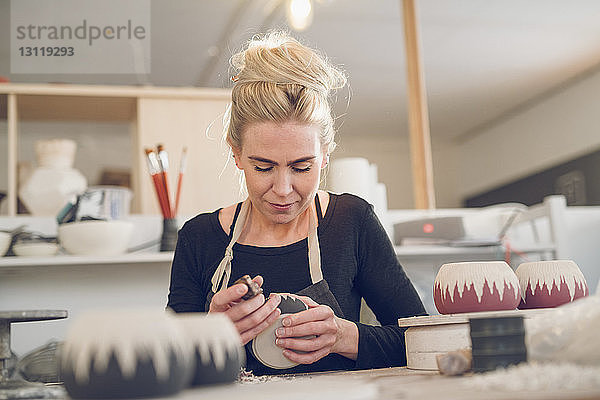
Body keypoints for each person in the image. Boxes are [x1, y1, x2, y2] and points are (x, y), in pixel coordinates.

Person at [167, 31, 426, 375]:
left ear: (325, 155)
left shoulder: (352, 222)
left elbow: (422, 341)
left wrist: (345, 337)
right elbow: (166, 363)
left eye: (301, 167)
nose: (283, 190)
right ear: (236, 154)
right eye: (263, 167)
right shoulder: (199, 237)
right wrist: (208, 335)